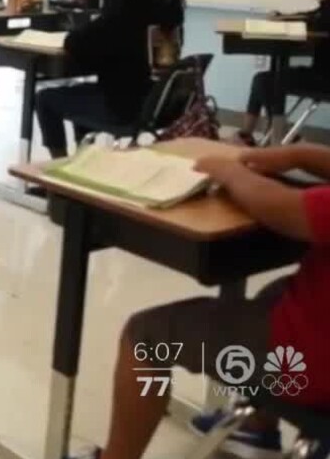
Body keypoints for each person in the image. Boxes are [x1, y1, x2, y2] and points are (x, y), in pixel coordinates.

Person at [82, 143, 330, 459]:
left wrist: (230, 172)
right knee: (277, 292)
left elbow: (281, 207)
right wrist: (300, 156)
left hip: (308, 366)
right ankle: (257, 427)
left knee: (145, 337)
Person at [36, 0, 186, 159]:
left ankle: (59, 175)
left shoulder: (121, 18)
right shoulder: (171, 15)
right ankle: (84, 164)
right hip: (160, 107)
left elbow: (76, 45)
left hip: (124, 109)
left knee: (45, 99)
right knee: (81, 93)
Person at [236, 0, 330, 145]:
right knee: (265, 79)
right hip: (320, 74)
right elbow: (309, 16)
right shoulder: (325, 8)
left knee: (265, 81)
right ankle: (249, 135)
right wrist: (282, 17)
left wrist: (286, 20)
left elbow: (316, 22)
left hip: (325, 78)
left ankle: (281, 134)